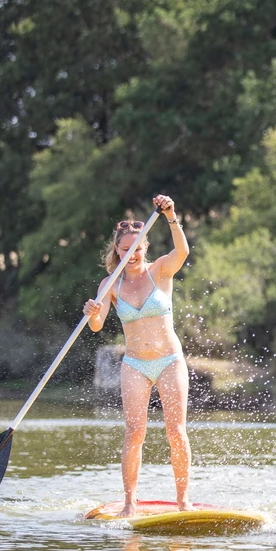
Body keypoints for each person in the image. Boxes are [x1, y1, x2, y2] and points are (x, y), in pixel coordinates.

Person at [84, 196, 192, 517]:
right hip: (135, 365)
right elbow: (96, 326)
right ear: (117, 250)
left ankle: (183, 501)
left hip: (170, 360)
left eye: (136, 247)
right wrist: (92, 311)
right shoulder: (110, 284)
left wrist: (171, 216)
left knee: (176, 431)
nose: (130, 254)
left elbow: (182, 252)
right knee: (135, 432)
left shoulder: (159, 271)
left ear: (144, 247)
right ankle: (130, 502)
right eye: (124, 249)